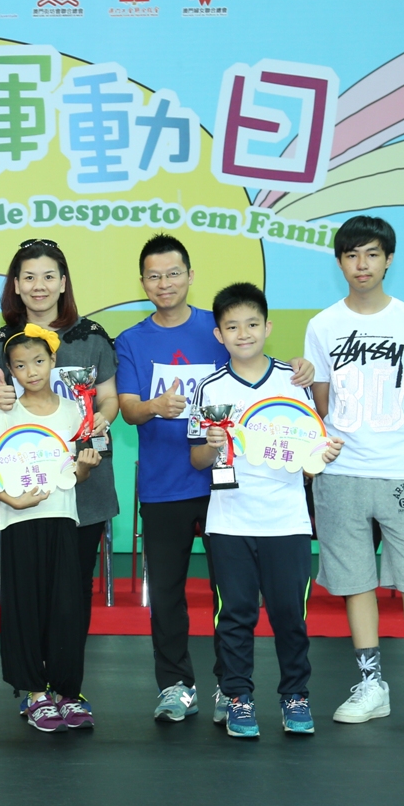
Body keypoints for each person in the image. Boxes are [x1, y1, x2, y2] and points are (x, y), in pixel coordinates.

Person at [115, 234, 314, 723]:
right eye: (154, 276)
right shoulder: (132, 340)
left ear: (190, 275)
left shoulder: (220, 326)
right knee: (167, 592)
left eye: (173, 273)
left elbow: (260, 374)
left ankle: (231, 688)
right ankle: (176, 686)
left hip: (228, 489)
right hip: (165, 484)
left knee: (232, 598)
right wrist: (155, 406)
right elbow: (128, 410)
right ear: (142, 282)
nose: (164, 283)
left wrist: (303, 368)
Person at [304, 215, 404, 738]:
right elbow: (321, 402)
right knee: (356, 583)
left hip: (403, 474)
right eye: (351, 255)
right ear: (339, 262)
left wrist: (403, 439)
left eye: (371, 254)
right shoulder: (322, 325)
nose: (361, 264)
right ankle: (372, 685)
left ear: (388, 259)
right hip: (341, 473)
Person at [189, 283, 344, 738]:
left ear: (267, 327)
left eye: (252, 324)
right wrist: (211, 444)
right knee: (235, 614)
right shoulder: (210, 388)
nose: (244, 334)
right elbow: (197, 459)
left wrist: (322, 457)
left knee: (289, 615)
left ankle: (295, 696)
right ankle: (238, 697)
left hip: (287, 520)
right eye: (232, 327)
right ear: (219, 335)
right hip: (229, 520)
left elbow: (311, 454)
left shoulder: (293, 380)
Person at [0, 239, 119, 721]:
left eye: (48, 276)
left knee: (72, 595)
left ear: (63, 283)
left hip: (85, 485)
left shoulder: (92, 337)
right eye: (29, 277)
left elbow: (110, 397)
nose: (38, 286)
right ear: (16, 285)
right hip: (27, 492)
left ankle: (66, 688)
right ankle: (32, 690)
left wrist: (102, 418)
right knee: (29, 593)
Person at [0, 326, 101, 732]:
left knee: (66, 609)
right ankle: (35, 694)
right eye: (21, 366)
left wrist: (85, 467)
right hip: (20, 522)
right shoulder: (7, 414)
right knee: (25, 608)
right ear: (10, 371)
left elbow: (72, 475)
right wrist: (10, 500)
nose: (32, 371)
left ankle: (67, 691)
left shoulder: (74, 411)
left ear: (53, 362)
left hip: (63, 521)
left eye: (39, 362)